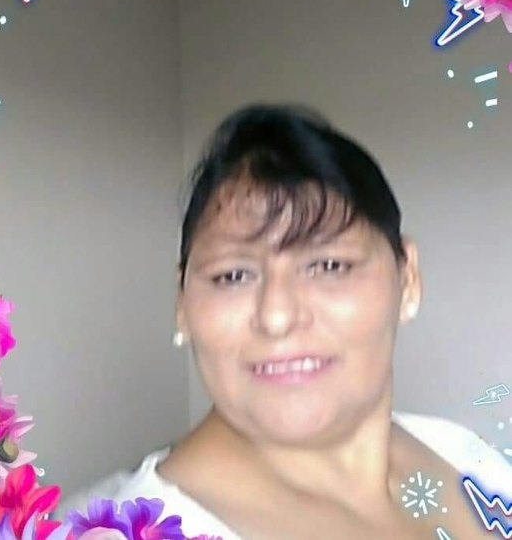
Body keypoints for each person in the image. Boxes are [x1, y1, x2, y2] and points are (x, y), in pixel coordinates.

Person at [59, 104, 512, 539]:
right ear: (182, 303)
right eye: (232, 276)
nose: (276, 316)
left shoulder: (466, 458)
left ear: (408, 278)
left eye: (329, 266)